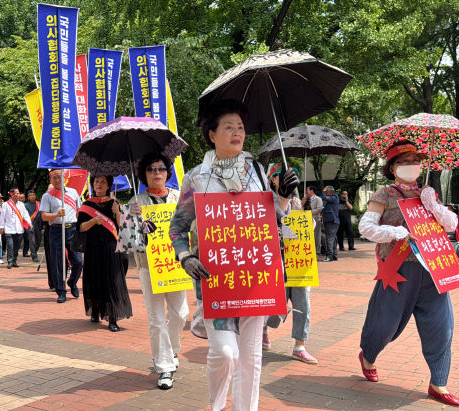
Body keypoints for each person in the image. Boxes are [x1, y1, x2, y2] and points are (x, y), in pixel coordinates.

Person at [170, 99, 298, 411]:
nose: (236, 132)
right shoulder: (197, 177)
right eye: (228, 127)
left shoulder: (256, 171)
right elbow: (177, 226)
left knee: (252, 355)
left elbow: (274, 220)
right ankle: (216, 405)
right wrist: (186, 256)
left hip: (255, 276)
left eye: (240, 127)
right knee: (226, 353)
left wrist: (282, 197)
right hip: (215, 279)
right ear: (211, 134)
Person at [357, 140, 459, 407]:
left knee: (442, 326)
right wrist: (399, 232)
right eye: (402, 161)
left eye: (414, 160)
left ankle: (439, 382)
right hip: (397, 270)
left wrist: (434, 205)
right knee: (384, 324)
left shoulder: (427, 192)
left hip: (433, 268)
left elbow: (451, 225)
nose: (409, 165)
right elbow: (366, 227)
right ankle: (368, 355)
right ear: (392, 167)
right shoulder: (385, 194)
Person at [125, 152, 188, 390]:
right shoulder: (136, 202)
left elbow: (190, 227)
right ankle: (164, 367)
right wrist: (134, 223)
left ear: (168, 172)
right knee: (156, 319)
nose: (157, 173)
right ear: (144, 175)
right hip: (148, 267)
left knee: (180, 313)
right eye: (151, 169)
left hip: (175, 266)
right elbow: (127, 240)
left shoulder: (178, 197)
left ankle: (171, 350)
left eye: (161, 168)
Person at [263, 163, 318, 365]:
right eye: (279, 175)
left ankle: (299, 346)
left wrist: (306, 214)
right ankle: (264, 329)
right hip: (274, 260)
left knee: (303, 301)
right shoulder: (265, 201)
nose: (285, 178)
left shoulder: (297, 201)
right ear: (272, 179)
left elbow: (307, 230)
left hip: (299, 260)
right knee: (275, 302)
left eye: (290, 175)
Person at [78, 175, 132, 331]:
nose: (99, 184)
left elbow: (123, 227)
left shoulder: (115, 204)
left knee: (111, 281)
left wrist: (117, 213)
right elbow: (80, 227)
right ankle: (95, 311)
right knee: (94, 280)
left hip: (111, 248)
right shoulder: (87, 205)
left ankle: (112, 318)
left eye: (103, 182)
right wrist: (93, 221)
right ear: (93, 185)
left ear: (109, 186)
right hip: (93, 248)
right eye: (96, 182)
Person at [40, 170, 83, 303]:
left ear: (64, 177)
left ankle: (72, 282)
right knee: (58, 262)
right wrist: (56, 215)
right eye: (54, 178)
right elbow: (44, 216)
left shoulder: (73, 192)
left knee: (78, 261)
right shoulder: (47, 196)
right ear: (51, 180)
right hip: (56, 230)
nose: (57, 180)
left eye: (59, 177)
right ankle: (61, 291)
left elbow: (79, 211)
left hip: (72, 230)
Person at [0, 188, 32, 269]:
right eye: (17, 194)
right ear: (12, 195)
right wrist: (1, 227)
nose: (19, 195)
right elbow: (2, 217)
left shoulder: (21, 204)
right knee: (10, 246)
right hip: (9, 229)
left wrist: (29, 223)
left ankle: (14, 260)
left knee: (17, 246)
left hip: (19, 229)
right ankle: (10, 261)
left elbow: (25, 214)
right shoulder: (6, 204)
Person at [302, 186, 323, 256]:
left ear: (311, 191)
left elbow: (319, 209)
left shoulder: (318, 199)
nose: (306, 192)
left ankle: (317, 252)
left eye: (307, 190)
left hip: (316, 220)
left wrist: (309, 212)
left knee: (316, 237)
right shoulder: (306, 199)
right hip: (307, 221)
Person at [320, 185, 340, 262]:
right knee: (333, 239)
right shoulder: (333, 199)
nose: (325, 192)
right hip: (332, 221)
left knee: (329, 239)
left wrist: (323, 191)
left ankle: (329, 256)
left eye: (326, 191)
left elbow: (324, 198)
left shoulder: (334, 197)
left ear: (329, 192)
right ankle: (334, 255)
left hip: (332, 221)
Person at [24, 190, 42, 263]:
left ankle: (34, 252)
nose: (32, 197)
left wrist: (43, 224)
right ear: (28, 197)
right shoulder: (25, 205)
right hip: (30, 225)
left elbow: (41, 214)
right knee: (32, 241)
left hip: (38, 225)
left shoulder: (39, 204)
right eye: (30, 195)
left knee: (38, 241)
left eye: (33, 195)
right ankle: (34, 256)